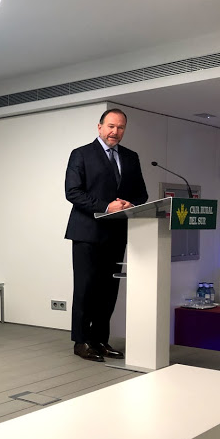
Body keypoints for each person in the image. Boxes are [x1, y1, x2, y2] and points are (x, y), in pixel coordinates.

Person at [65, 108, 148, 362]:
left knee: (109, 290)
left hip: (117, 233)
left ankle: (100, 340)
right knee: (85, 288)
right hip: (87, 233)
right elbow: (73, 192)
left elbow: (141, 193)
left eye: (120, 127)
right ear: (99, 127)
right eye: (111, 126)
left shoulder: (131, 157)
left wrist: (130, 204)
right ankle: (81, 341)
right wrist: (105, 207)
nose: (115, 132)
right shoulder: (81, 154)